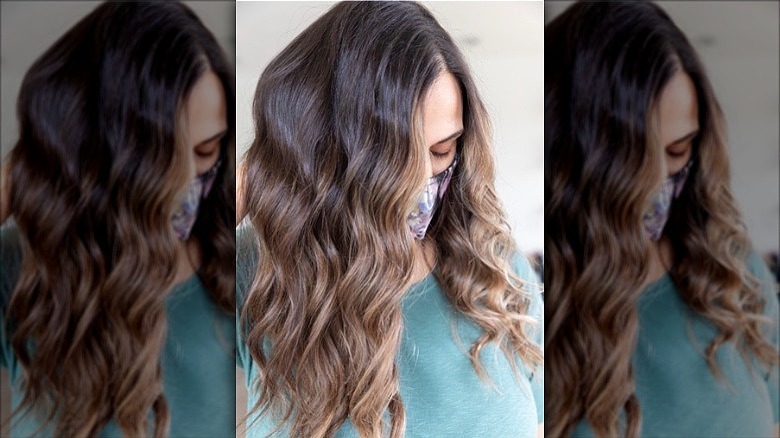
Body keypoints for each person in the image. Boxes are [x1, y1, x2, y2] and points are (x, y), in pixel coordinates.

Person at [236, 2, 543, 437]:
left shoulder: (498, 272)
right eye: (393, 161)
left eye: (441, 150)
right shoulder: (259, 267)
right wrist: (266, 167)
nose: (419, 182)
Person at [0, 2, 236, 436]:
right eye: (160, 159)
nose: (186, 183)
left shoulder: (234, 271)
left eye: (207, 149)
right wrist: (30, 168)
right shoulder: (22, 267)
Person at [545, 2, 779, 437]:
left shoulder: (734, 272)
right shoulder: (547, 315)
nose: (658, 185)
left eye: (679, 150)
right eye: (635, 162)